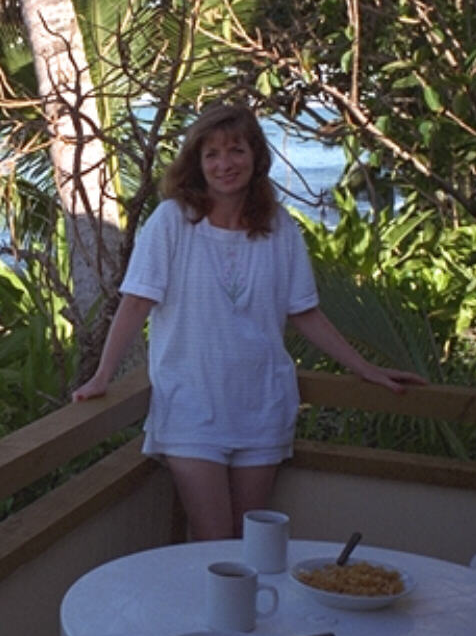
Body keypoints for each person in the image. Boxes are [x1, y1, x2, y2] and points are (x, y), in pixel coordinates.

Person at [71, 102, 424, 540]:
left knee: (250, 540)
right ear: (197, 164)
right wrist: (103, 375)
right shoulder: (172, 222)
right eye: (212, 154)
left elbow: (305, 314)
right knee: (214, 536)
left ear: (256, 156)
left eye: (236, 150)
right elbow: (136, 302)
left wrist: (366, 370)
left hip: (262, 405)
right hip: (190, 405)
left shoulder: (279, 228)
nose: (225, 164)